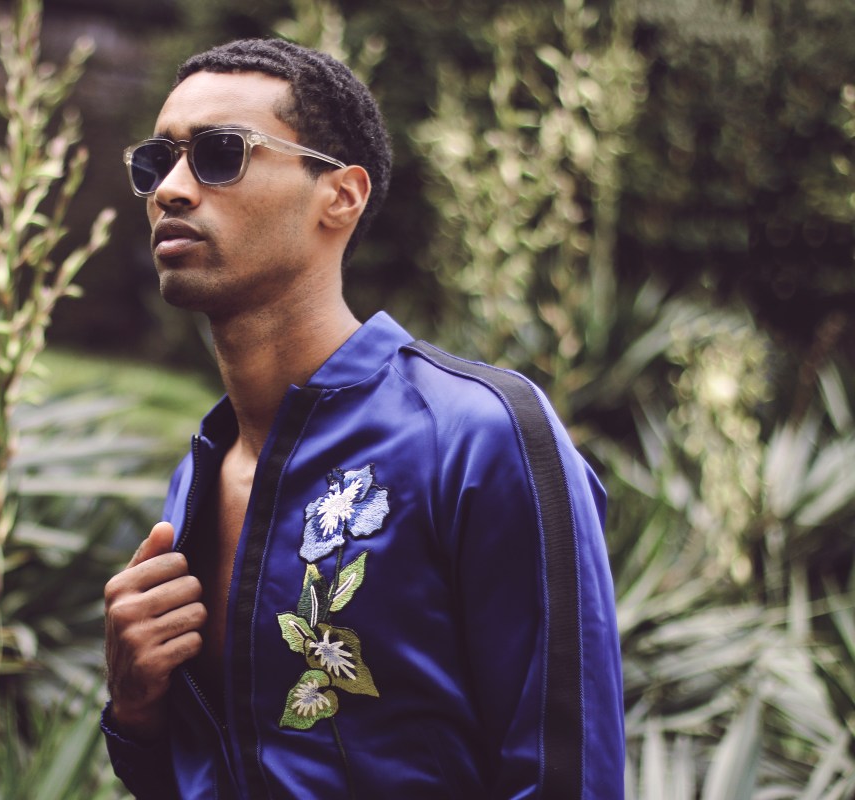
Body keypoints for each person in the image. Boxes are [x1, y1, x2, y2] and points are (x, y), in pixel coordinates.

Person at [101, 38, 625, 799]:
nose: (172, 190)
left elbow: (566, 777)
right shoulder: (200, 473)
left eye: (220, 154)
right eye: (157, 162)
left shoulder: (478, 436)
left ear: (340, 196)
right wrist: (137, 711)